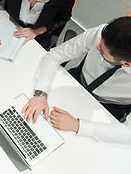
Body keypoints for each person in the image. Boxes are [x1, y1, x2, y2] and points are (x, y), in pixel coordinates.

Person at [22, 16, 131, 144]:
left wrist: (78, 125)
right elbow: (54, 55)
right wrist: (41, 93)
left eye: (102, 52)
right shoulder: (103, 33)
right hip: (78, 79)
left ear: (127, 64)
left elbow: (128, 133)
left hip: (108, 105)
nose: (97, 48)